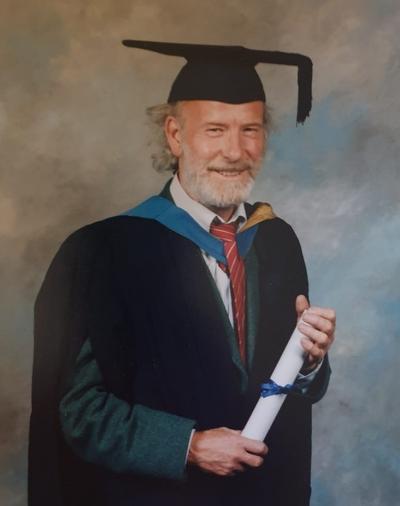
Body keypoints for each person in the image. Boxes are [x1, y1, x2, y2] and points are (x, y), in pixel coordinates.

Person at [29, 41, 335, 506]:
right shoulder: (103, 252)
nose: (234, 151)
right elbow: (80, 412)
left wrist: (311, 362)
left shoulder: (276, 241)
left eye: (250, 129)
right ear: (174, 134)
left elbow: (291, 390)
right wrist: (187, 446)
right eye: (215, 129)